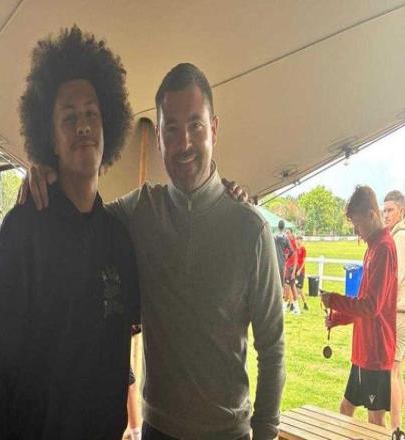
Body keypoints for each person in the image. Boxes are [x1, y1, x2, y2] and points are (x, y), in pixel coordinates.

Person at [24, 62, 285, 439]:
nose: (184, 143)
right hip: (158, 430)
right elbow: (83, 214)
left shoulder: (250, 229)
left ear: (213, 129)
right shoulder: (139, 211)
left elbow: (272, 348)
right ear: (159, 138)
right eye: (172, 129)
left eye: (195, 125)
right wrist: (49, 172)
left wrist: (266, 433)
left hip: (228, 433)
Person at [0, 26, 140, 439]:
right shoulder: (23, 230)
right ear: (51, 139)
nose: (83, 126)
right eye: (69, 117)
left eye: (92, 114)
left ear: (108, 127)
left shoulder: (119, 238)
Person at [322, 185, 397, 427]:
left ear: (371, 215)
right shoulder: (372, 249)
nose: (357, 232)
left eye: (358, 225)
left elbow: (371, 307)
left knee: (375, 420)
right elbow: (364, 304)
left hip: (376, 352)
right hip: (363, 351)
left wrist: (334, 299)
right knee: (346, 408)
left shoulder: (384, 248)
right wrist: (338, 318)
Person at [383, 190, 405, 431]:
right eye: (384, 210)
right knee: (397, 372)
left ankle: (396, 429)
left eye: (390, 210)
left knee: (392, 372)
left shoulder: (399, 237)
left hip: (398, 312)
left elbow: (394, 278)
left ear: (402, 210)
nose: (386, 215)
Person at [274, 220, 294, 312]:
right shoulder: (286, 238)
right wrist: (286, 257)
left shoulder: (274, 237)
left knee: (274, 281)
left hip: (274, 261)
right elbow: (292, 251)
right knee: (281, 283)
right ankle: (280, 302)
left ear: (278, 227)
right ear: (284, 227)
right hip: (282, 262)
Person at [284, 228, 299, 314]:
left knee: (287, 286)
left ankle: (284, 308)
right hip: (289, 267)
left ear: (291, 234)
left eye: (288, 233)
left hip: (291, 268)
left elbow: (295, 257)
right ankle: (296, 309)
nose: (286, 234)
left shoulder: (292, 243)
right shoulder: (288, 243)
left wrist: (293, 271)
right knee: (293, 287)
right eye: (286, 233)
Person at [295, 234, 309, 311]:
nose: (298, 241)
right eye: (297, 239)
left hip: (301, 271)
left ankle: (305, 303)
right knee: (294, 287)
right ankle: (293, 304)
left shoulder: (303, 249)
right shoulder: (295, 249)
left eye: (299, 240)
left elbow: (304, 260)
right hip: (295, 270)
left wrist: (300, 270)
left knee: (299, 289)